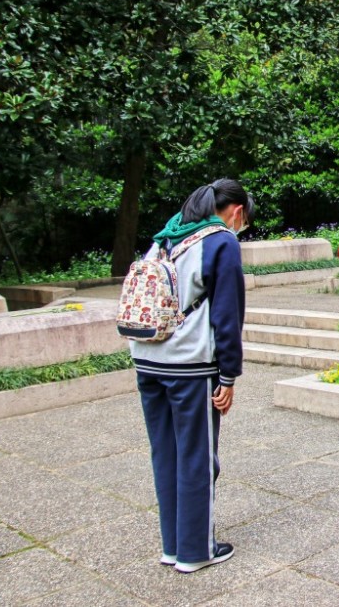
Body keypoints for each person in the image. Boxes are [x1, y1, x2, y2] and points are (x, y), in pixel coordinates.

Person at [129, 179, 254, 573]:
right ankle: (197, 551)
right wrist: (229, 376)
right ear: (236, 211)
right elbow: (226, 316)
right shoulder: (220, 242)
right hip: (190, 366)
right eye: (244, 220)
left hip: (147, 357)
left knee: (165, 453)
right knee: (198, 456)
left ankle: (174, 546)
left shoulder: (166, 236)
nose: (242, 227)